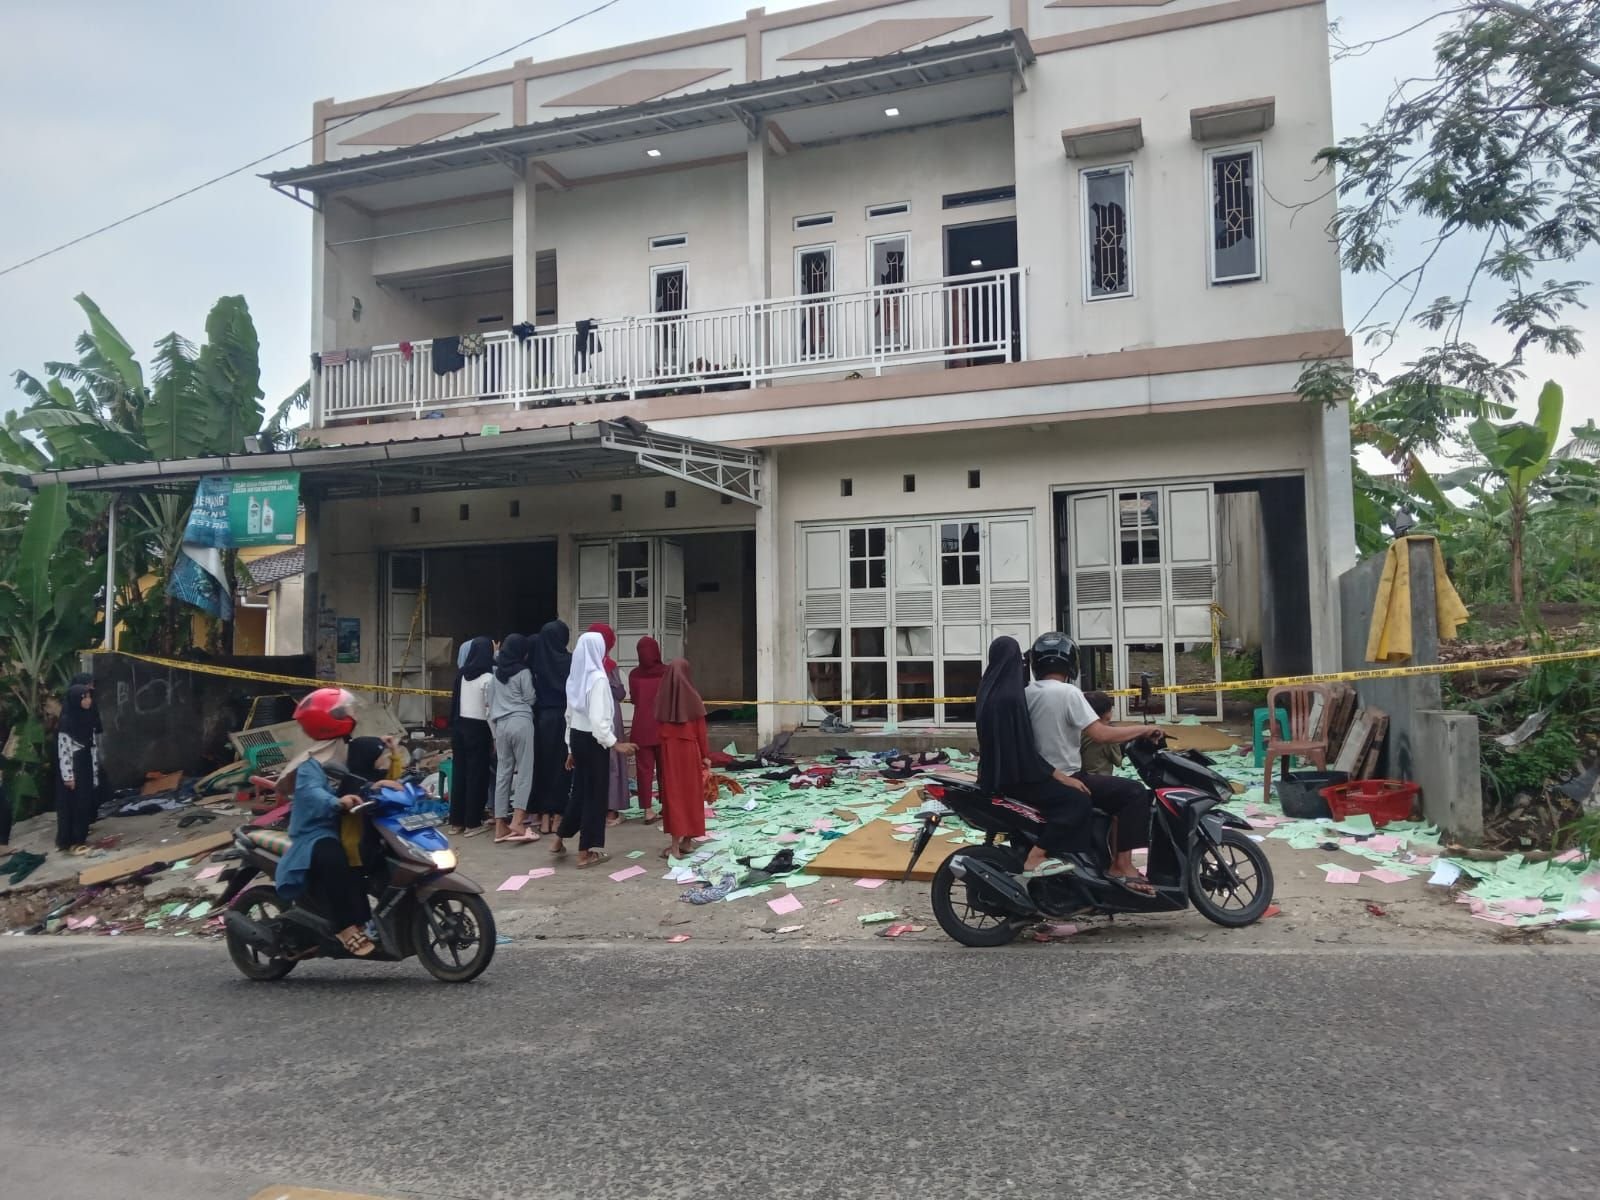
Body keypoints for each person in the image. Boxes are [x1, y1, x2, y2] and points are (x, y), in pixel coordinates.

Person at [1025, 632, 1161, 893]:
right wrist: (1143, 729)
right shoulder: (1068, 693)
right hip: (1066, 776)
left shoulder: (1026, 693)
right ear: (1071, 664)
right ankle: (1121, 865)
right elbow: (1100, 733)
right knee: (1133, 793)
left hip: (1041, 777)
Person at [275, 688, 375, 957]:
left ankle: (366, 919)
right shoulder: (312, 763)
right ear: (331, 720)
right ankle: (345, 928)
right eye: (345, 711)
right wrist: (336, 803)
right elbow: (312, 793)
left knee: (368, 860)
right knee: (335, 861)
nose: (352, 714)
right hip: (315, 834)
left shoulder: (345, 748)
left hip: (344, 827)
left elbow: (370, 770)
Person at [554, 631, 636, 868]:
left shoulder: (575, 677)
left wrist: (570, 746)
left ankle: (559, 839)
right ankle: (585, 851)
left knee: (579, 791)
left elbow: (569, 715)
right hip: (594, 741)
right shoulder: (598, 680)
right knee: (595, 797)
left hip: (579, 738)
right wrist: (614, 743)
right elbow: (599, 720)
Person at [655, 658, 711, 860]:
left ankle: (675, 847)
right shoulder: (693, 698)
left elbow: (659, 730)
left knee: (674, 795)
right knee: (692, 795)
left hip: (671, 752)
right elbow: (701, 732)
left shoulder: (662, 699)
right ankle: (688, 841)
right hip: (690, 751)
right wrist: (705, 756)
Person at [489, 634, 539, 844]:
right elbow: (530, 698)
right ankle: (518, 821)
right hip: (520, 721)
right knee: (524, 772)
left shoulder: (495, 673)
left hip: (501, 725)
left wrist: (496, 654)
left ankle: (500, 824)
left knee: (503, 773)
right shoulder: (523, 672)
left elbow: (490, 702)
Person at [529, 620, 573, 836]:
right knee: (562, 766)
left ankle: (544, 817)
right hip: (565, 718)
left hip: (542, 719)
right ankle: (558, 816)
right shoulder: (570, 661)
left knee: (543, 766)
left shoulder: (536, 662)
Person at [449, 636, 495, 836]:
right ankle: (472, 823)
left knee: (460, 774)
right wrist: (494, 737)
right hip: (479, 730)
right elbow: (489, 712)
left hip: (460, 727)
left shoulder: (461, 675)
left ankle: (456, 822)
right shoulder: (488, 679)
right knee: (477, 776)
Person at [586, 623, 631, 826]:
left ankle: (595, 808)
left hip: (587, 717)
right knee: (612, 759)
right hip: (609, 714)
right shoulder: (609, 666)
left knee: (593, 760)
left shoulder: (582, 664)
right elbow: (620, 693)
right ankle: (611, 812)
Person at [54, 681, 101, 855]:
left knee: (85, 803)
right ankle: (71, 840)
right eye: (84, 698)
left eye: (89, 697)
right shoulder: (66, 722)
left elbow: (93, 745)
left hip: (87, 762)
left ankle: (80, 838)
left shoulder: (88, 718)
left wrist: (95, 772)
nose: (88, 701)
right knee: (73, 805)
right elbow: (63, 750)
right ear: (75, 700)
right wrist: (68, 777)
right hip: (74, 766)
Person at [627, 637, 667, 824]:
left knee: (644, 770)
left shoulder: (634, 674)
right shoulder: (666, 672)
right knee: (665, 769)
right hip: (662, 726)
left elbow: (634, 699)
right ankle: (667, 806)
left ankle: (647, 810)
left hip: (641, 727)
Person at [1080, 692, 1125, 776]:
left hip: (1077, 777)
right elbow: (1118, 761)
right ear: (1107, 715)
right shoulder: (1106, 735)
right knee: (1136, 786)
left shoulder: (1078, 730)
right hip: (1099, 778)